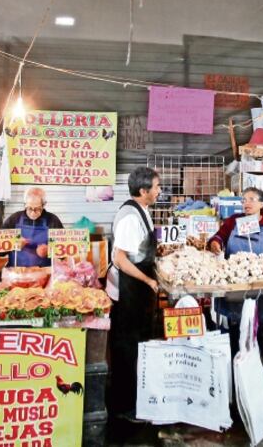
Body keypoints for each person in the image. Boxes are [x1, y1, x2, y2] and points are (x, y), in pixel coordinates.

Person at [106, 167, 161, 422]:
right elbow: (120, 259)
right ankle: (123, 407)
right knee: (127, 348)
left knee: (137, 346)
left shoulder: (143, 211)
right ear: (143, 191)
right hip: (129, 289)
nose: (159, 191)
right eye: (156, 187)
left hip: (137, 289)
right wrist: (148, 279)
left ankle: (135, 400)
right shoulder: (130, 217)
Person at [207, 187, 263, 354]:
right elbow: (219, 236)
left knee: (259, 324)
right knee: (233, 325)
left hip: (260, 284)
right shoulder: (234, 220)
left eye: (251, 199)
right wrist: (215, 243)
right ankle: (234, 354)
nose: (246, 203)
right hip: (234, 281)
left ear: (262, 204)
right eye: (244, 200)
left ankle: (260, 355)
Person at [0, 187, 63, 267]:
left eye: (37, 209)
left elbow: (63, 253)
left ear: (44, 205)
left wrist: (49, 250)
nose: (33, 213)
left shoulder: (52, 220)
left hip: (44, 272)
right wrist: (12, 244)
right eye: (29, 208)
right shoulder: (14, 219)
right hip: (16, 272)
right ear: (25, 204)